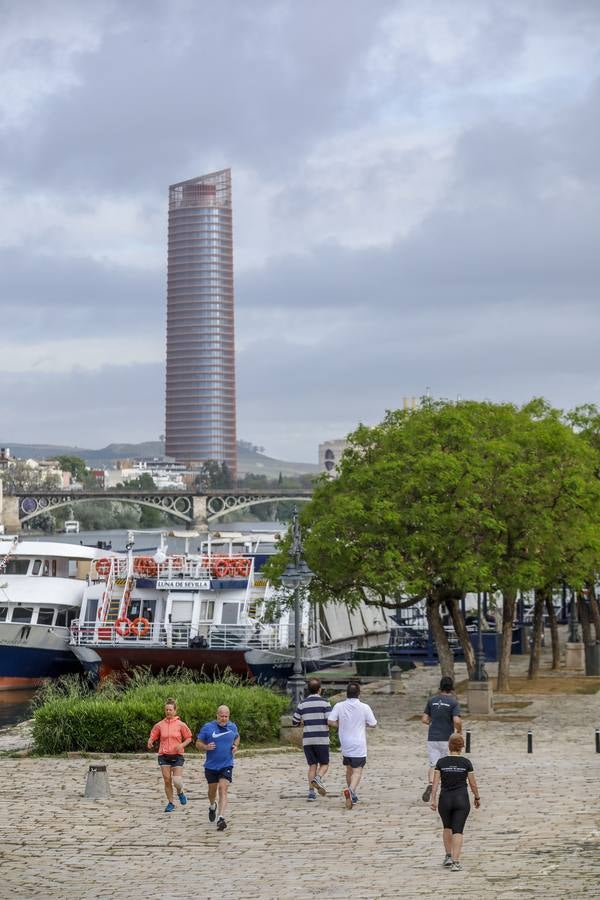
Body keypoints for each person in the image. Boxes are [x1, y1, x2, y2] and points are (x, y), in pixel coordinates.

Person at [430, 732, 480, 871]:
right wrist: (477, 797)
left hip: (445, 799)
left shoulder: (441, 762)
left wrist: (433, 799)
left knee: (447, 827)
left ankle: (448, 855)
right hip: (461, 799)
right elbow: (473, 784)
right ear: (462, 747)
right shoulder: (466, 763)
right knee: (458, 830)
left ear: (449, 746)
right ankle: (456, 862)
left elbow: (435, 784)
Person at [327, 682, 377, 809]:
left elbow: (330, 721)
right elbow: (373, 723)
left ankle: (352, 795)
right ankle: (351, 790)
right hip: (359, 743)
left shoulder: (339, 706)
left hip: (345, 743)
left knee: (349, 769)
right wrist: (363, 724)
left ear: (347, 693)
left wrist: (341, 725)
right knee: (357, 771)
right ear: (359, 693)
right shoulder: (364, 707)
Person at [196, 704, 240, 831]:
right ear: (217, 715)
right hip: (211, 766)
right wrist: (205, 747)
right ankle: (212, 805)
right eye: (221, 716)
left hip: (226, 764)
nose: (224, 719)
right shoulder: (208, 727)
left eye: (226, 716)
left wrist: (235, 746)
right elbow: (198, 743)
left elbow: (237, 736)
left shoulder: (232, 726)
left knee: (223, 789)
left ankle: (221, 817)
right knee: (212, 792)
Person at [147, 698, 193, 812]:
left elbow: (189, 738)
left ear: (175, 711)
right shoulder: (159, 725)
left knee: (176, 780)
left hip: (177, 756)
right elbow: (153, 735)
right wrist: (150, 741)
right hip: (164, 755)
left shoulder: (181, 725)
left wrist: (182, 745)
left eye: (170, 710)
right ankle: (171, 803)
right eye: (166, 710)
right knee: (167, 780)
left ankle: (180, 792)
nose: (168, 712)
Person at [421, 675, 462, 802]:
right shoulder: (453, 702)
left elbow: (424, 719)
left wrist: (432, 724)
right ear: (451, 688)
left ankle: (430, 784)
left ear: (440, 687)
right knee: (446, 764)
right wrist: (459, 730)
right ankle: (447, 789)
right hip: (446, 738)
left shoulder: (432, 700)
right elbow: (456, 720)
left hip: (432, 737)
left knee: (434, 764)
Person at [292, 677, 332, 801]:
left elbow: (294, 721)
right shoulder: (325, 703)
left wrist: (302, 723)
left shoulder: (302, 703)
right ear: (320, 689)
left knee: (312, 766)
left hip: (308, 740)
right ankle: (318, 779)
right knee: (324, 764)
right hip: (321, 739)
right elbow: (329, 720)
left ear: (308, 690)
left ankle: (311, 793)